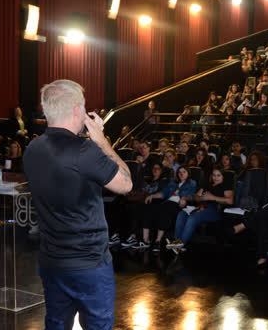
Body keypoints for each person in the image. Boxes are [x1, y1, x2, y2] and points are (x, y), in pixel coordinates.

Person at [23, 79, 132, 329]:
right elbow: (126, 184)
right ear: (76, 110)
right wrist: (102, 140)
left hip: (52, 261)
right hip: (89, 264)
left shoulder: (32, 149)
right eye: (83, 107)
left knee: (56, 324)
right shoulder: (85, 151)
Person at [168, 166, 233, 253]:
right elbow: (196, 197)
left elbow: (230, 201)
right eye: (214, 175)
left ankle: (180, 244)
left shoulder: (225, 186)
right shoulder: (207, 185)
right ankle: (177, 243)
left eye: (218, 176)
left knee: (193, 217)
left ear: (223, 176)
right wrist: (202, 199)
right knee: (182, 214)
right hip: (200, 207)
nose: (216, 178)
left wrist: (212, 198)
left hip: (214, 210)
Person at [143, 165, 197, 249]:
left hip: (179, 204)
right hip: (167, 202)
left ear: (188, 173)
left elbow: (192, 195)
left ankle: (158, 241)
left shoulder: (192, 182)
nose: (181, 174)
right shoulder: (172, 182)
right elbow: (163, 193)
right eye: (179, 172)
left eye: (184, 172)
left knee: (165, 209)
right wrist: (152, 196)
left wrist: (184, 198)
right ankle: (145, 240)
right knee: (149, 208)